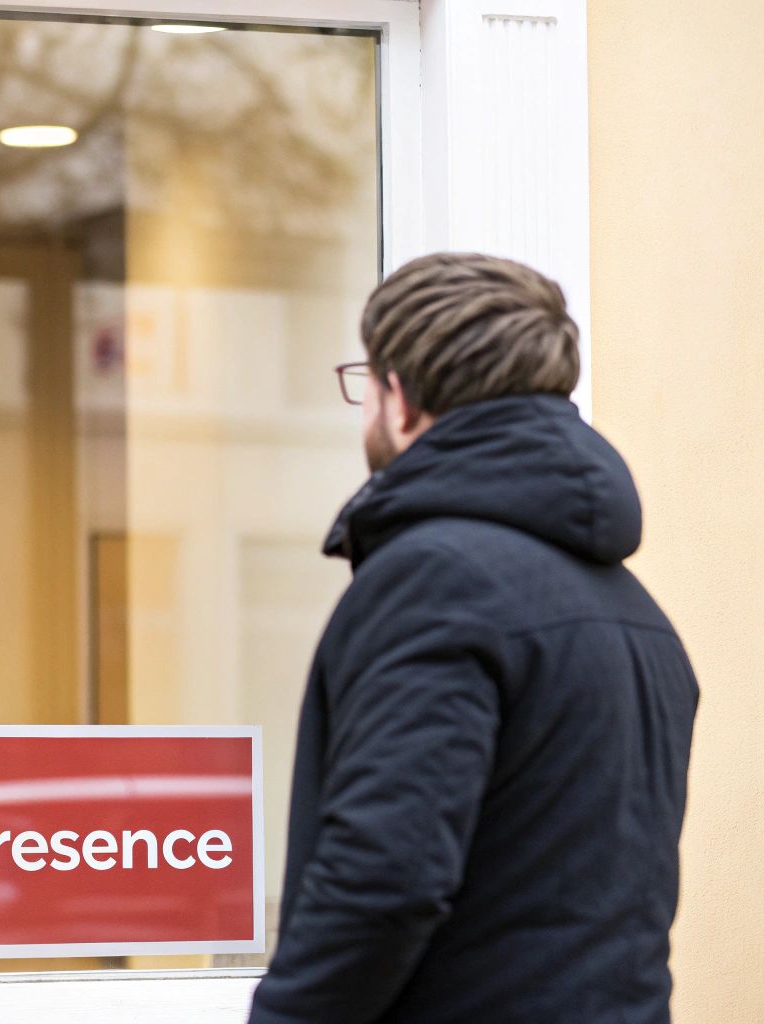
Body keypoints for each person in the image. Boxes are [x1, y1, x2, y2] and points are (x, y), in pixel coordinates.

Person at [248, 253, 699, 1023]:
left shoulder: (431, 581)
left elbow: (382, 880)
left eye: (366, 384)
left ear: (399, 399)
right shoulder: (637, 611)